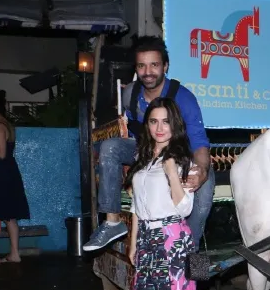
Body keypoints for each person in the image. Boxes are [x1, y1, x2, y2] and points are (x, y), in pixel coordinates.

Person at [83, 35, 214, 252]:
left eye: (154, 65)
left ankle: (190, 248)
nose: (148, 72)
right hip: (145, 151)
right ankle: (113, 222)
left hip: (180, 154)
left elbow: (199, 143)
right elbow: (130, 128)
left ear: (165, 66)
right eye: (142, 66)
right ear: (136, 68)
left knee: (205, 190)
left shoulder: (184, 98)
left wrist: (201, 171)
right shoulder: (130, 93)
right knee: (109, 147)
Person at [125, 97, 197, 290]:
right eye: (153, 121)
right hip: (146, 242)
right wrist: (132, 243)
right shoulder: (142, 160)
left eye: (165, 121)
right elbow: (137, 208)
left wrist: (171, 173)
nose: (159, 128)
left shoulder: (183, 161)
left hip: (173, 238)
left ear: (174, 125)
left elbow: (185, 208)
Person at [0, 90, 31, 266]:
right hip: (6, 175)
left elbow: (1, 153)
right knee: (9, 217)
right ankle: (14, 254)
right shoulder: (5, 125)